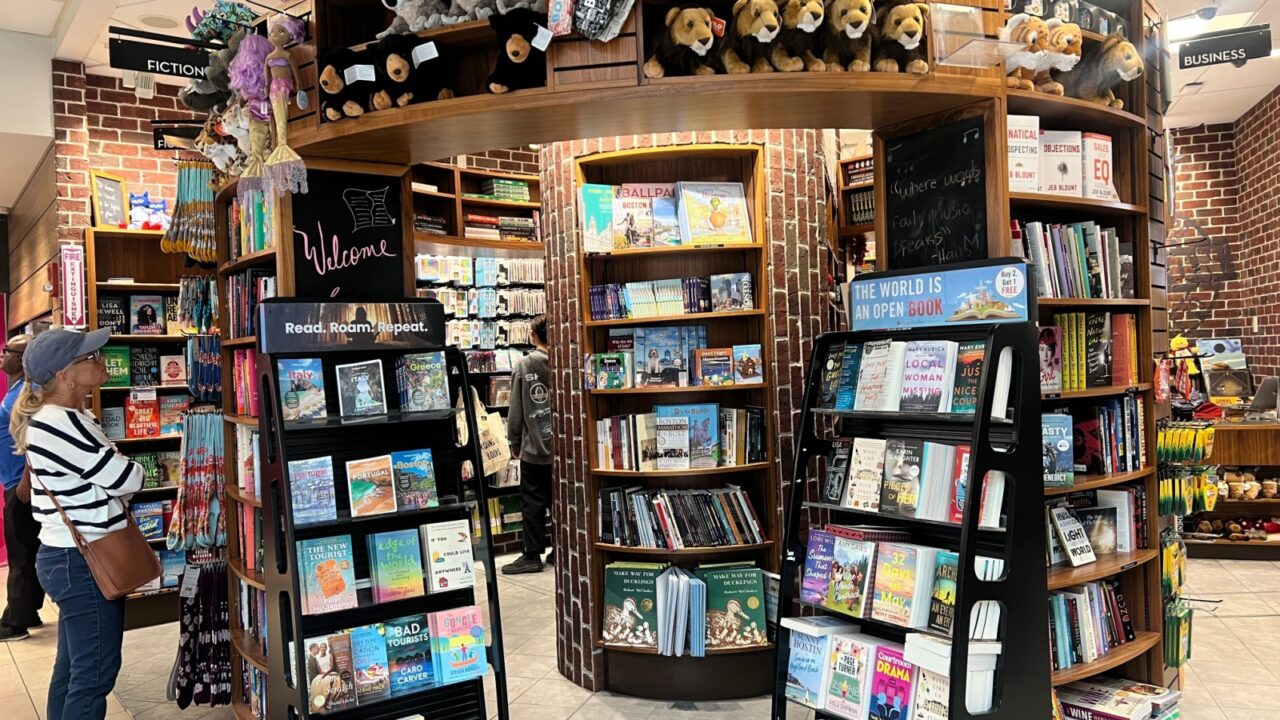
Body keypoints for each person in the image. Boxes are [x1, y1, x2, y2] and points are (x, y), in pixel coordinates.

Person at [12, 328, 144, 720]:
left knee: (73, 670)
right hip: (83, 559)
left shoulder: (69, 417)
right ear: (65, 375)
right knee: (93, 676)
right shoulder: (58, 422)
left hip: (74, 557)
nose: (101, 360)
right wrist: (121, 467)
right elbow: (127, 478)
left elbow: (113, 474)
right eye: (89, 357)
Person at [502, 317, 553, 575]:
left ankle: (532, 554)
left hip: (534, 448)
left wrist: (514, 440)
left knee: (532, 501)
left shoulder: (524, 364)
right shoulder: (562, 362)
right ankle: (561, 549)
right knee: (561, 500)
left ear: (533, 334)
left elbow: (516, 409)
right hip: (561, 449)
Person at [0, 334, 42, 642]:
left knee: (20, 554)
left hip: (19, 484)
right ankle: (28, 611)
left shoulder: (24, 394)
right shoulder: (15, 391)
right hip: (14, 480)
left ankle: (15, 622)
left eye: (7, 351)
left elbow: (33, 441)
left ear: (24, 357)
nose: (2, 356)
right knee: (28, 550)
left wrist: (25, 482)